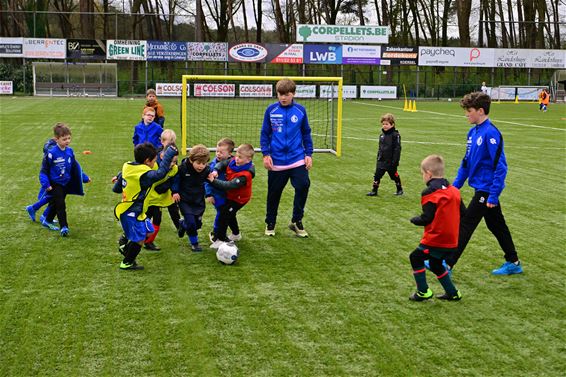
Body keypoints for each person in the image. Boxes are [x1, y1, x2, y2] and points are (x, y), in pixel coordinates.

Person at [445, 91, 523, 275]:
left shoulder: (491, 133)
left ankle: (446, 265)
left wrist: (494, 194)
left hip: (487, 190)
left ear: (480, 111)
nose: (466, 114)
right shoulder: (472, 132)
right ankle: (513, 261)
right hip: (481, 188)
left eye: (469, 110)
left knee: (466, 223)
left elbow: (501, 167)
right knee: (496, 225)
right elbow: (466, 162)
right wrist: (454, 187)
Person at [260, 78, 313, 238]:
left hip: (297, 158)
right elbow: (265, 133)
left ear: (293, 94)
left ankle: (296, 220)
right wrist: (266, 154)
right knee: (274, 193)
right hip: (276, 161)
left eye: (287, 94)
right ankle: (270, 222)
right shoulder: (271, 110)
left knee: (303, 185)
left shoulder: (300, 110)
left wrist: (308, 154)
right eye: (280, 94)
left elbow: (306, 133)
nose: (283, 98)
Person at [114, 142, 178, 270]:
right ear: (147, 161)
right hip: (131, 211)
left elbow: (120, 179)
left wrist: (117, 187)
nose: (156, 163)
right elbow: (160, 174)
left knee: (149, 232)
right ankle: (127, 262)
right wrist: (169, 154)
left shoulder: (128, 166)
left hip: (139, 211)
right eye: (155, 160)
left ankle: (126, 248)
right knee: (139, 239)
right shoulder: (144, 175)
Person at [409, 155, 464, 301]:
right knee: (435, 263)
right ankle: (453, 293)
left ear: (428, 173)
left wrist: (415, 220)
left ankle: (423, 291)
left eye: (422, 174)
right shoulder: (454, 191)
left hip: (437, 238)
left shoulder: (430, 193)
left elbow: (427, 218)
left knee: (415, 257)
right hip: (452, 239)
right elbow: (463, 213)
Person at [39, 123, 91, 236]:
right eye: (64, 139)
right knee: (61, 204)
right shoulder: (51, 153)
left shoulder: (70, 151)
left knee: (55, 203)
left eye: (69, 138)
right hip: (55, 183)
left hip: (66, 183)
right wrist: (46, 184)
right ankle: (64, 227)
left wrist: (84, 178)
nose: (67, 141)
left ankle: (47, 220)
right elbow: (44, 171)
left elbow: (74, 167)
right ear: (56, 139)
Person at [207, 144, 255, 249]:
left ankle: (220, 239)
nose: (237, 159)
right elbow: (223, 163)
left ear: (249, 159)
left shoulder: (245, 175)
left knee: (224, 214)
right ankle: (236, 234)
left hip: (239, 199)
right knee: (230, 214)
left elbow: (228, 186)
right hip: (232, 196)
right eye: (237, 156)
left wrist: (213, 181)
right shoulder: (234, 161)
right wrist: (215, 169)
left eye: (240, 157)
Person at [143, 129, 180, 251]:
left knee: (162, 216)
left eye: (174, 162)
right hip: (151, 196)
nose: (172, 164)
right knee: (145, 217)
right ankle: (132, 238)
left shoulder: (174, 166)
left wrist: (174, 190)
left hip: (163, 195)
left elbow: (175, 178)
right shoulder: (155, 162)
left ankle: (149, 241)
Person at [172, 144, 211, 252]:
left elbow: (211, 171)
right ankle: (195, 243)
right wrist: (175, 192)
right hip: (184, 200)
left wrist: (214, 174)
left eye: (204, 163)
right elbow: (176, 180)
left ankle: (182, 224)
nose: (201, 166)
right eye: (198, 163)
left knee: (197, 224)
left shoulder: (206, 170)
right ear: (191, 160)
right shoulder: (183, 168)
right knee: (191, 223)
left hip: (198, 200)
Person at [205, 137, 236, 242]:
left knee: (229, 214)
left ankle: (235, 233)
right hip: (217, 195)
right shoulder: (212, 166)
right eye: (217, 151)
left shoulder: (233, 163)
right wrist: (209, 194)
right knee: (221, 214)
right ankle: (216, 234)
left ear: (229, 154)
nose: (218, 154)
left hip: (229, 195)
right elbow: (207, 181)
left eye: (221, 152)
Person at [367, 113, 404, 196]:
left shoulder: (395, 135)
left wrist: (395, 161)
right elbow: (380, 148)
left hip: (391, 161)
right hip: (381, 160)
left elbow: (397, 149)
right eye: (383, 124)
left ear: (392, 124)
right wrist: (378, 157)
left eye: (387, 124)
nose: (384, 126)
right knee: (377, 175)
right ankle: (374, 190)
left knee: (394, 175)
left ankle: (399, 189)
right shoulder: (381, 136)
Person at [26, 134, 58, 223]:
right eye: (64, 138)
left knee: (54, 197)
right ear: (56, 137)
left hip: (55, 177)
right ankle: (37, 211)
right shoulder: (51, 146)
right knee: (52, 197)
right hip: (49, 178)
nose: (67, 141)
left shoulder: (58, 146)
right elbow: (48, 150)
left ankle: (39, 212)